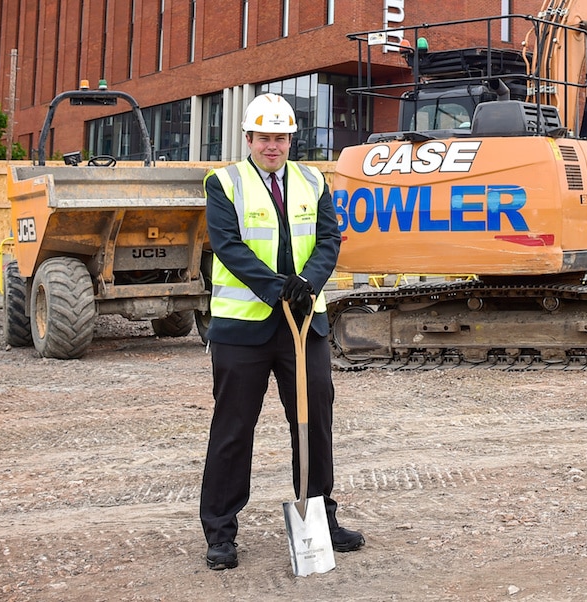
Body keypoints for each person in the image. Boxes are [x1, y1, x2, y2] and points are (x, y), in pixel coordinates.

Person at [199, 93, 364, 570]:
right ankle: (220, 533)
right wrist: (277, 289)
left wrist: (308, 285)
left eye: (281, 138)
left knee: (314, 425)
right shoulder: (224, 183)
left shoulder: (313, 180)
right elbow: (228, 246)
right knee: (233, 431)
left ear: (292, 139)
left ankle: (320, 516)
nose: (273, 146)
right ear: (248, 138)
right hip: (242, 330)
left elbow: (330, 238)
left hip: (304, 325)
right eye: (265, 138)